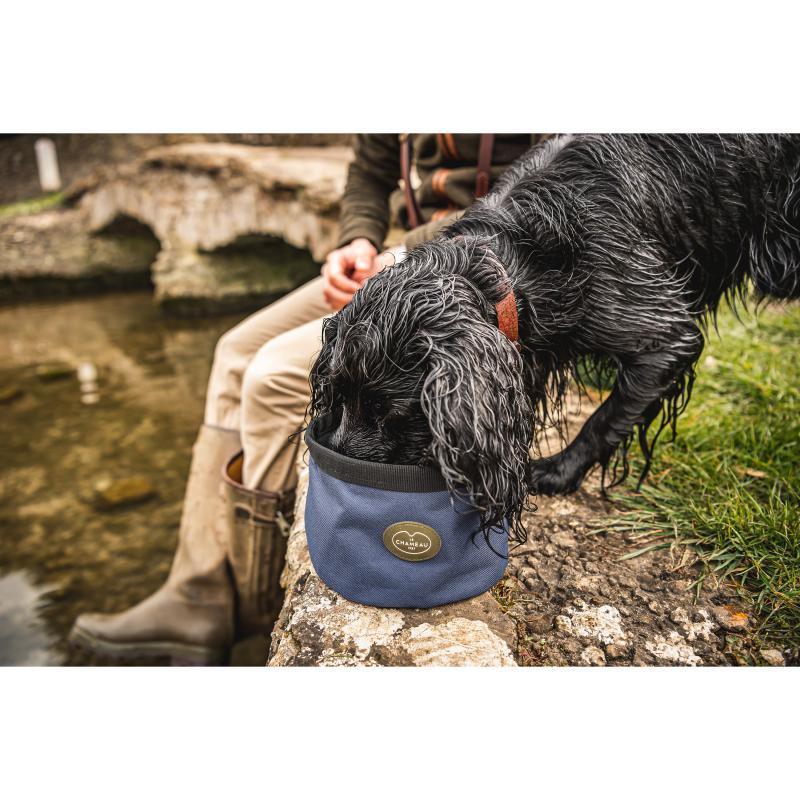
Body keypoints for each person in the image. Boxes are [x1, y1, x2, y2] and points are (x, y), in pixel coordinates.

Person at [69, 134, 546, 664]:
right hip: (397, 263)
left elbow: (544, 183)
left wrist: (408, 249)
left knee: (270, 378)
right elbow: (371, 167)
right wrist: (358, 238)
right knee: (233, 352)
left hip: (477, 269)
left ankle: (248, 606)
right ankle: (198, 589)